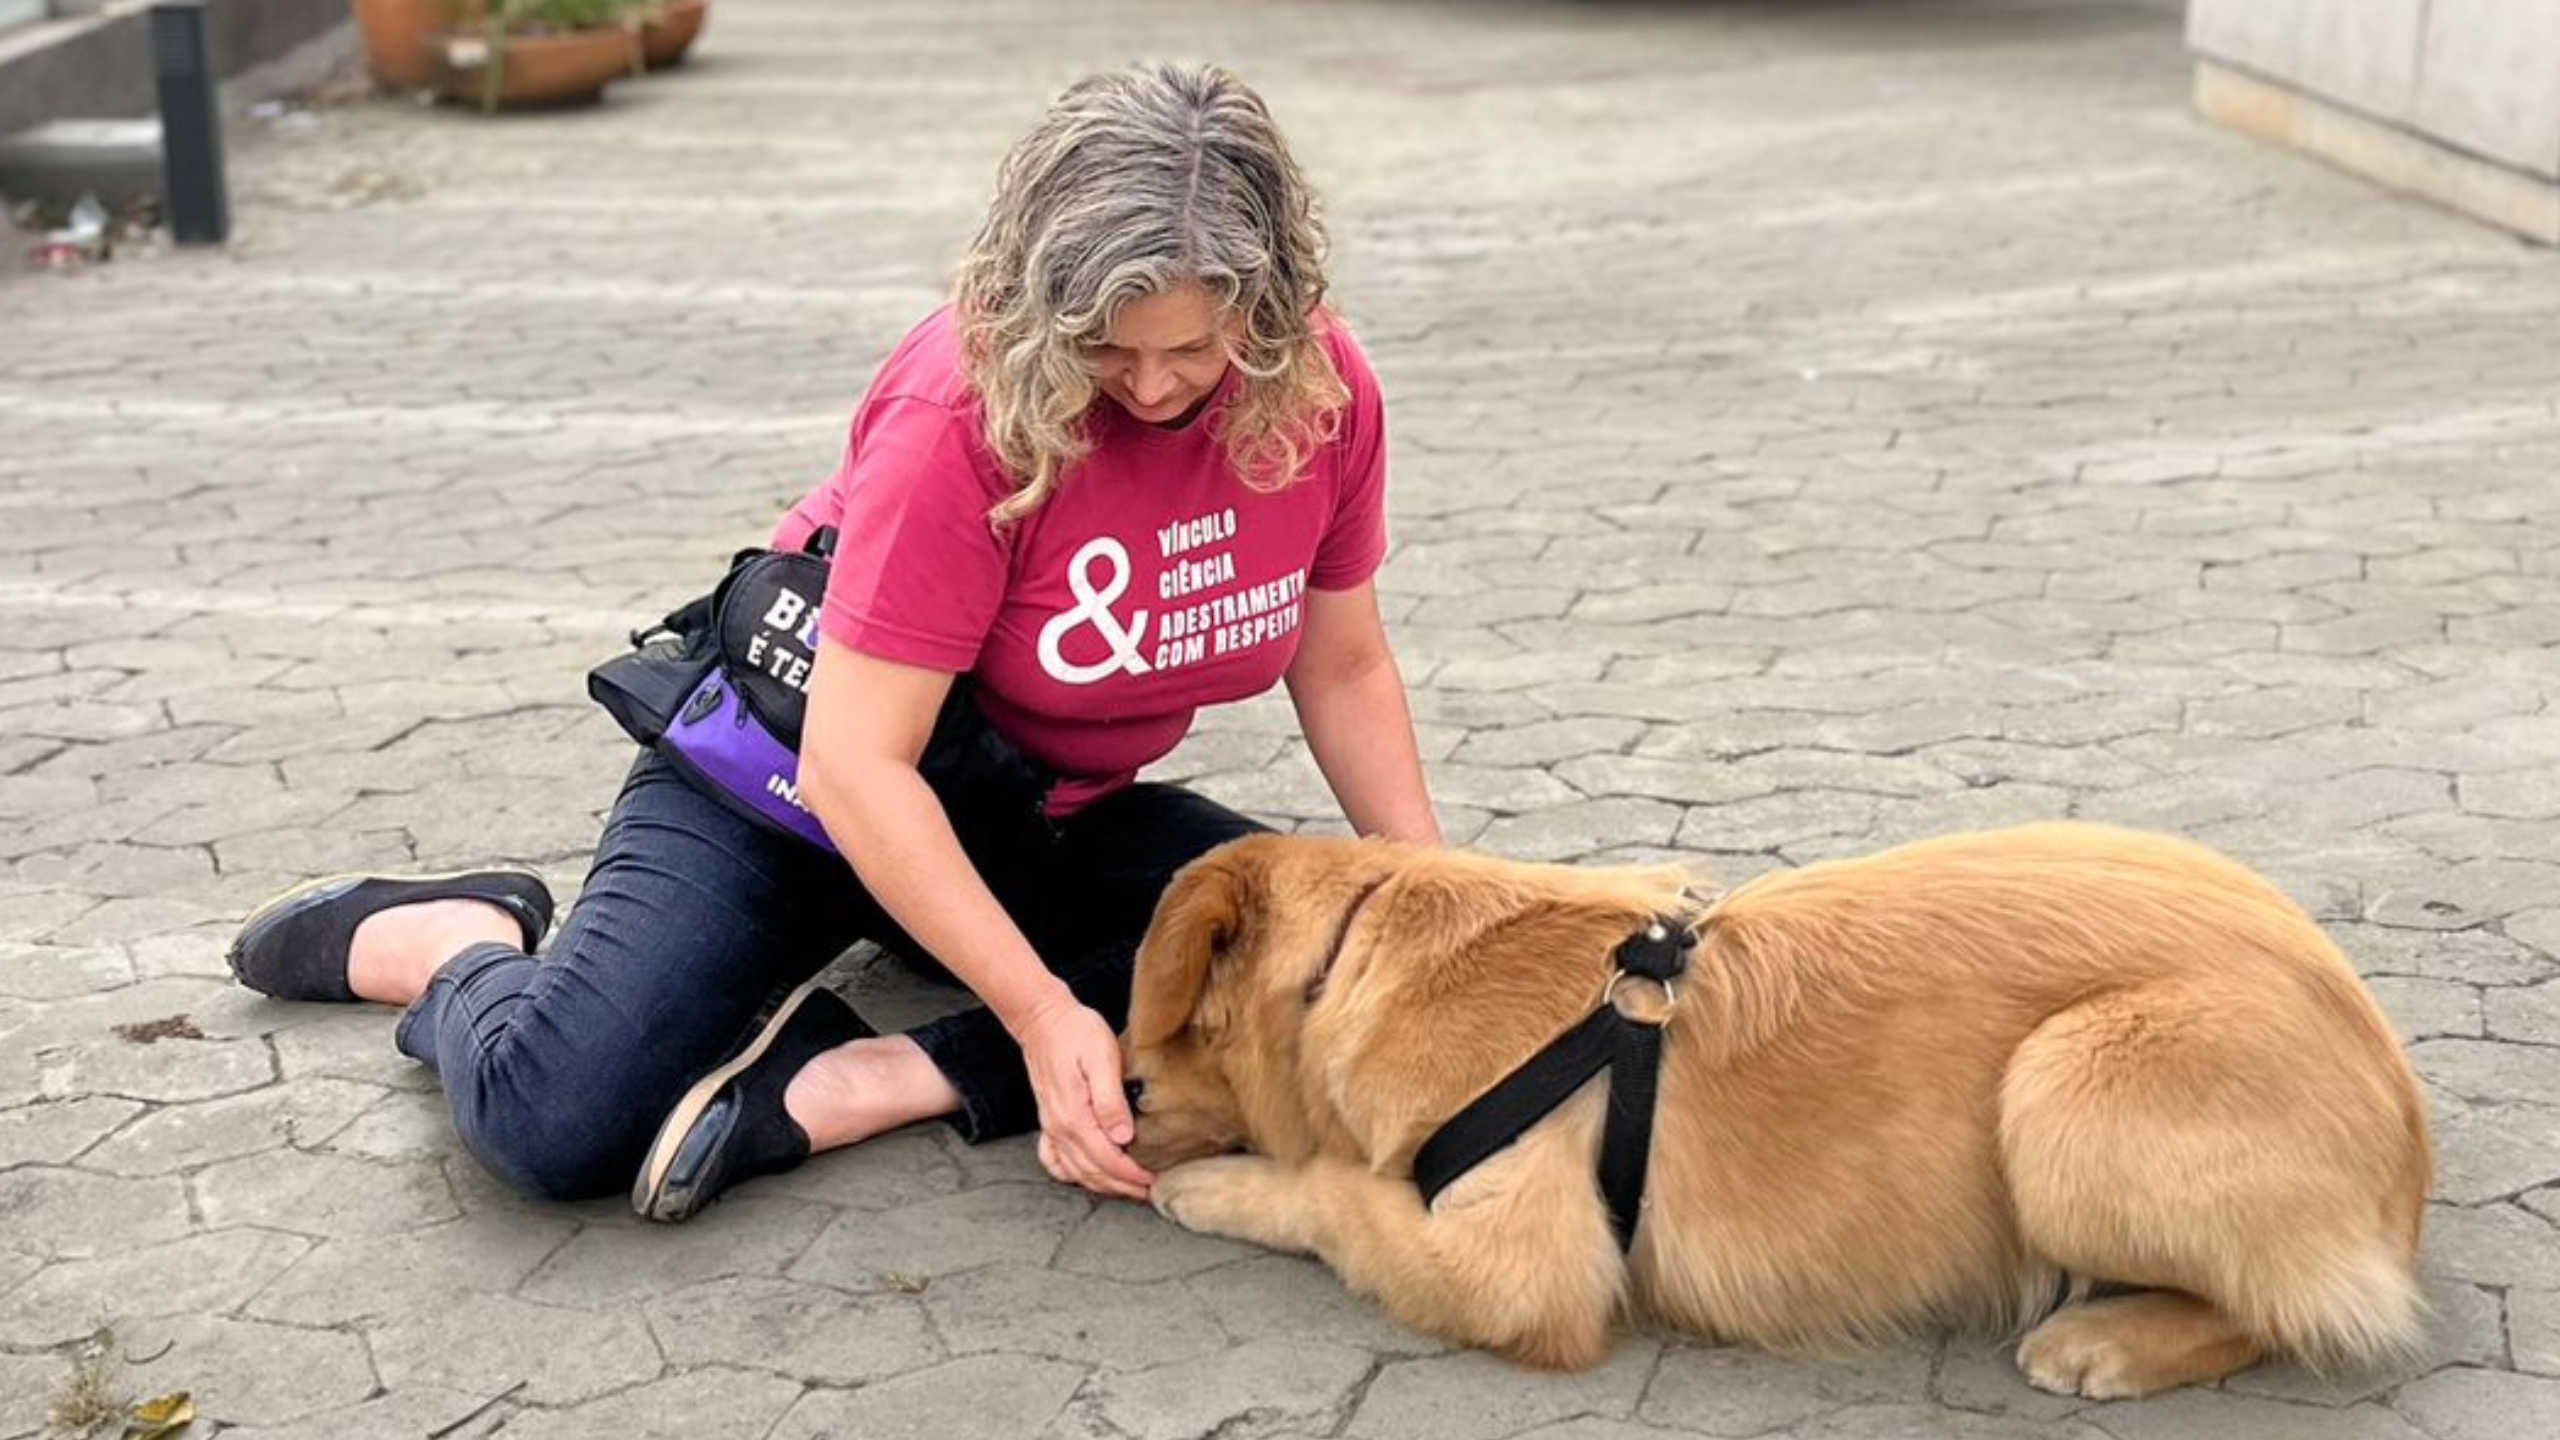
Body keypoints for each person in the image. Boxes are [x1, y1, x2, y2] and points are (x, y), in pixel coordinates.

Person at [222, 61, 1441, 1222]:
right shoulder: (964, 409)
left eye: (1193, 350)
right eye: (1110, 349)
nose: (1156, 387)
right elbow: (861, 767)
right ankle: (464, 943)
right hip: (792, 787)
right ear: (1038, 305)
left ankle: (878, 1074)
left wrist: (1431, 899)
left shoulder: (1318, 394)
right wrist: (1034, 1006)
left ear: (1271, 303)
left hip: (1025, 811)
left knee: (1327, 963)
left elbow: (1337, 663)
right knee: (557, 1124)